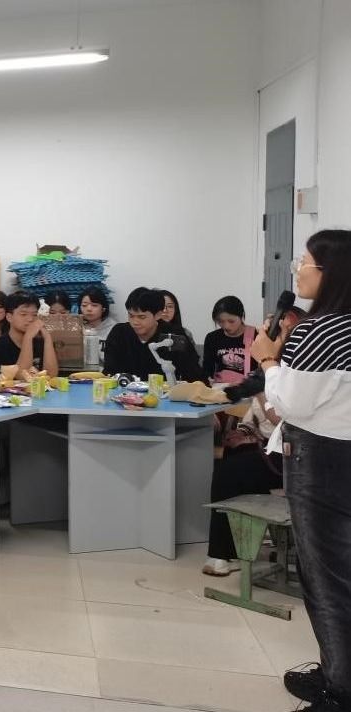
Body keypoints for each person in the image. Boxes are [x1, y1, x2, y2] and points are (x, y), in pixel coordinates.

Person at [250, 230, 351, 712]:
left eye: (304, 262)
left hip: (320, 458)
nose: (297, 270)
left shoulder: (321, 329)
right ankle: (337, 672)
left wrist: (269, 358)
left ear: (330, 272)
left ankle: (339, 690)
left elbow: (290, 403)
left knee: (325, 576)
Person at [202, 392, 281, 576]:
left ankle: (223, 554)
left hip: (292, 454)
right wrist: (244, 432)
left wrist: (261, 393)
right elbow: (257, 417)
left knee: (228, 472)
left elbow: (280, 421)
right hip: (272, 445)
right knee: (231, 456)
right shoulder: (272, 379)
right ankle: (237, 546)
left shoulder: (287, 382)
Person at [101, 288, 202, 383]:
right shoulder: (119, 333)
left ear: (158, 315)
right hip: (124, 391)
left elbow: (193, 374)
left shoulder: (173, 335)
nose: (135, 322)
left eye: (142, 317)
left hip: (165, 392)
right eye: (131, 316)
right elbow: (110, 372)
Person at [0, 291, 59, 379]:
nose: (30, 319)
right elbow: (22, 377)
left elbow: (51, 376)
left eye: (34, 315)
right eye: (23, 314)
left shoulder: (41, 343)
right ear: (9, 317)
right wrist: (28, 337)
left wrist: (47, 337)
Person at [203, 296, 257, 385]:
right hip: (220, 387)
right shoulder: (212, 338)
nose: (226, 326)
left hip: (248, 387)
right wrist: (207, 379)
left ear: (241, 316)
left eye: (231, 321)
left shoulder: (256, 336)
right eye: (220, 321)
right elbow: (207, 369)